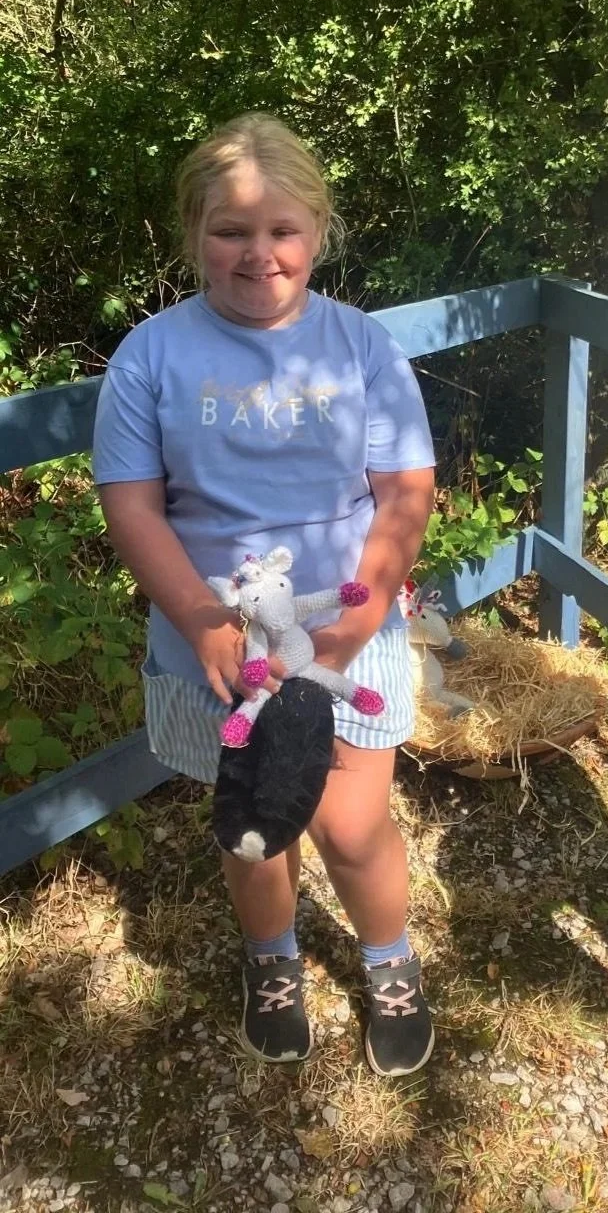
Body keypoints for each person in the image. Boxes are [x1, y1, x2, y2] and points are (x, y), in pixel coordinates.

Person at [93, 112, 437, 1076]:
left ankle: (388, 960)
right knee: (251, 828)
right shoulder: (149, 357)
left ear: (318, 232)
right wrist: (203, 621)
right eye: (231, 231)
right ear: (193, 234)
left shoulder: (361, 347)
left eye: (281, 230)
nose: (259, 254)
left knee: (351, 823)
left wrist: (356, 622)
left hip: (346, 630)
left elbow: (405, 492)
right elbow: (133, 505)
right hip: (214, 645)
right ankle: (273, 960)